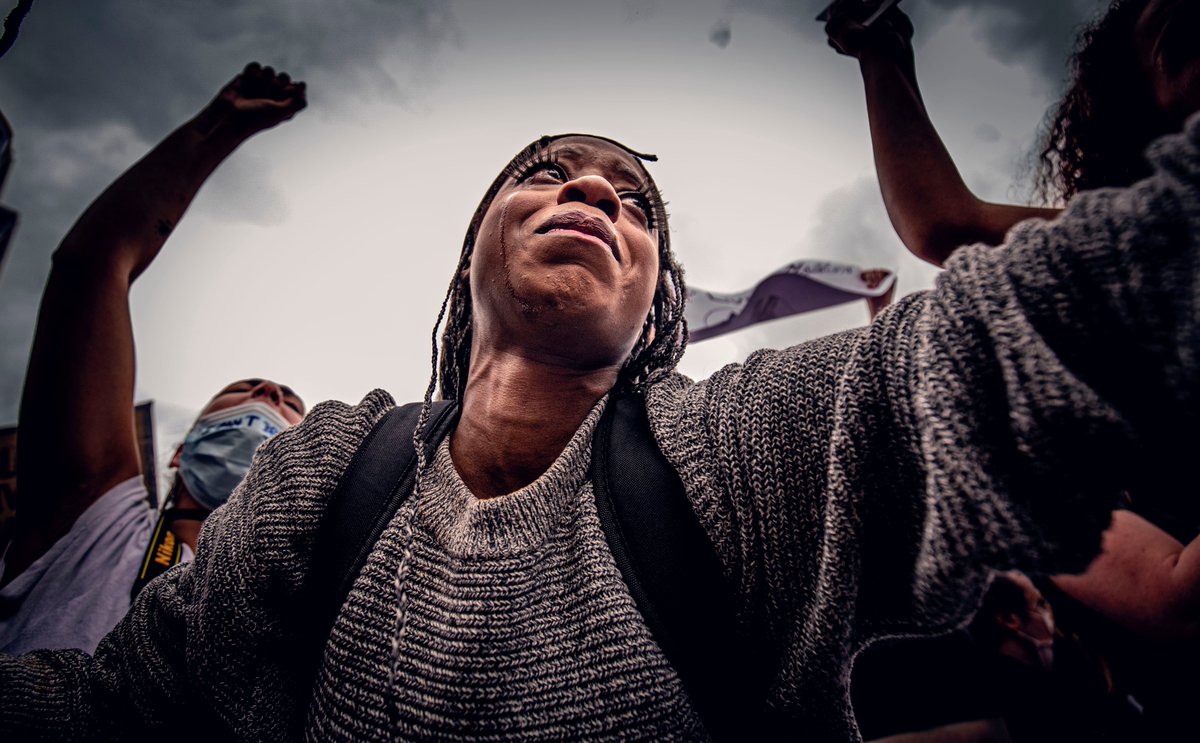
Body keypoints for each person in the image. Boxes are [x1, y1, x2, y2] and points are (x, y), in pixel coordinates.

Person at [2, 49, 1200, 743]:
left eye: (633, 197)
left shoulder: (744, 449)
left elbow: (1026, 330)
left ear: (655, 302)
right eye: (548, 172)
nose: (592, 191)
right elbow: (118, 705)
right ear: (476, 242)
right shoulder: (325, 471)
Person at [0, 63, 307, 656]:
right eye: (248, 389)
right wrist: (216, 129)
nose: (270, 396)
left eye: (290, 404)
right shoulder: (94, 528)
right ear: (177, 450)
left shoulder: (306, 612)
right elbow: (92, 268)